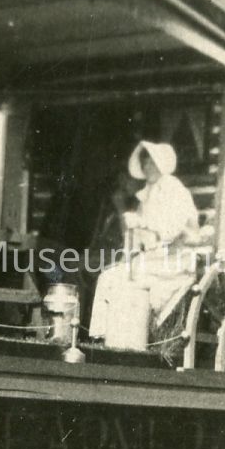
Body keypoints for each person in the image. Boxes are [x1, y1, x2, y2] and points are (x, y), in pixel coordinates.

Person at [87, 141, 203, 347]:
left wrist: (144, 224)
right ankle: (102, 336)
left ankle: (132, 339)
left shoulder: (174, 189)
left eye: (150, 162)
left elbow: (173, 230)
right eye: (145, 163)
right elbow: (138, 238)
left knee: (131, 283)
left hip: (174, 261)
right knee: (108, 277)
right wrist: (133, 236)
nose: (146, 167)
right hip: (151, 260)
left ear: (161, 163)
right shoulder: (147, 194)